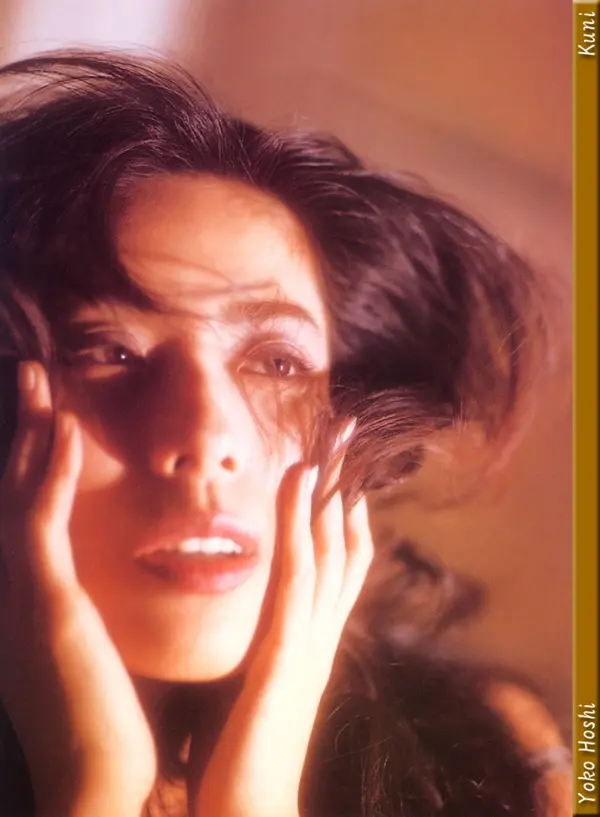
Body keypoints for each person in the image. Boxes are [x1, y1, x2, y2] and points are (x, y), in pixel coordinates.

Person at [0, 51, 571, 817]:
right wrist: (91, 790)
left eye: (276, 361)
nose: (207, 438)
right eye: (109, 352)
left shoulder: (505, 756)